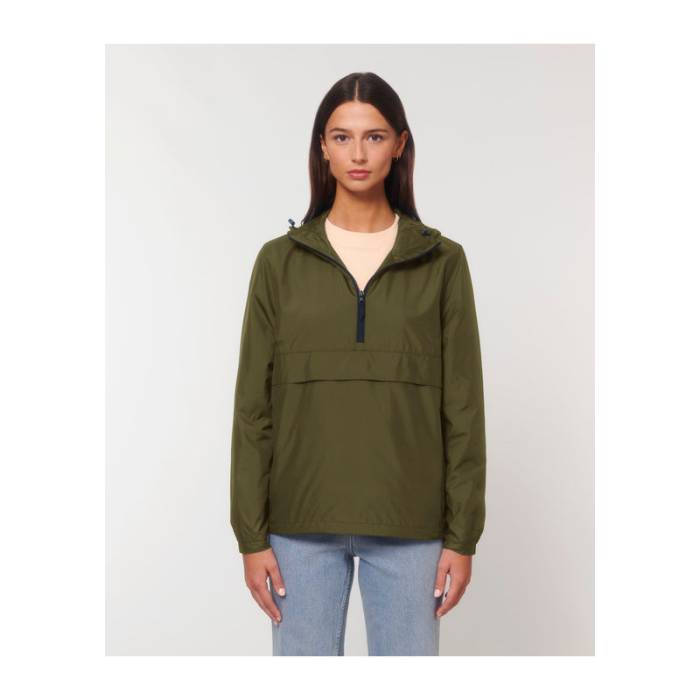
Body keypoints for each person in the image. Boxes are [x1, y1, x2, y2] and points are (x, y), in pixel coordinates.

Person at [230, 72, 487, 656]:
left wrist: (462, 536)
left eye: (374, 137)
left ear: (399, 144)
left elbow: (464, 410)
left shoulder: (442, 262)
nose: (358, 154)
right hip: (297, 528)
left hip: (411, 526)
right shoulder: (278, 263)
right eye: (342, 137)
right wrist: (251, 535)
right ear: (322, 147)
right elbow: (253, 410)